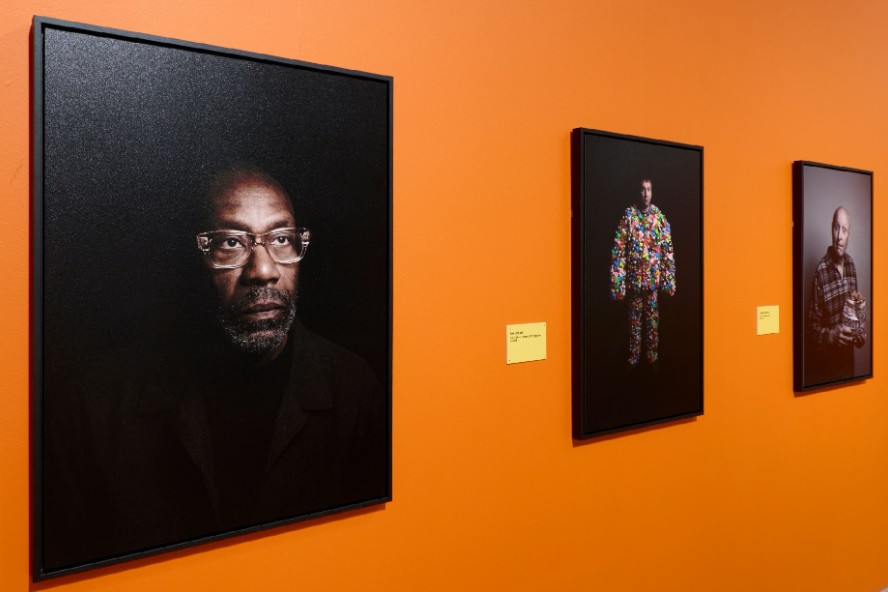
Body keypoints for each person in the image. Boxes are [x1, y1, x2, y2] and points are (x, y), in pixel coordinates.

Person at [43, 165, 388, 571]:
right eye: (231, 242)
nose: (264, 271)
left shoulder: (354, 391)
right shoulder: (91, 410)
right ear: (191, 256)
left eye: (281, 239)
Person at [609, 179, 676, 369]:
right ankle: (633, 360)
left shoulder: (659, 218)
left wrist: (668, 281)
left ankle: (652, 360)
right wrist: (618, 284)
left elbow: (667, 251)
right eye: (642, 189)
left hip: (652, 284)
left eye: (648, 189)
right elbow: (619, 250)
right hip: (634, 284)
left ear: (652, 192)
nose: (646, 194)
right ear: (637, 192)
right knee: (634, 325)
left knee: (652, 325)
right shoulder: (629, 216)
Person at [806, 206, 866, 383]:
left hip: (849, 365)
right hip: (826, 370)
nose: (839, 236)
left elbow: (854, 319)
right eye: (836, 228)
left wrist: (860, 310)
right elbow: (811, 329)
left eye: (844, 230)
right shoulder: (820, 270)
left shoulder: (851, 265)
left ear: (849, 236)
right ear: (831, 229)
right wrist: (832, 335)